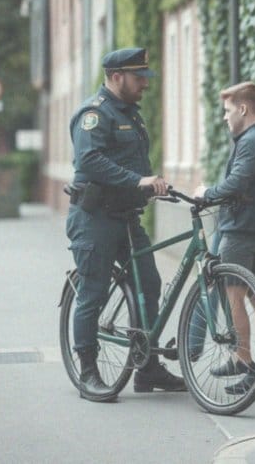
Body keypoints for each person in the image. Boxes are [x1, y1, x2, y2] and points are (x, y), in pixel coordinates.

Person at [66, 47, 185, 402]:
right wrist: (138, 181)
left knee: (149, 283)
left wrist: (154, 185)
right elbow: (89, 161)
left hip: (127, 218)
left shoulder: (132, 115)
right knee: (93, 293)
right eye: (139, 78)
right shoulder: (94, 114)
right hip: (95, 219)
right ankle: (87, 371)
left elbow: (135, 163)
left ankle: (146, 367)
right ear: (117, 77)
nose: (144, 85)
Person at [194, 81, 255, 395]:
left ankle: (246, 364)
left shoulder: (250, 141)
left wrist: (206, 193)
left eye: (228, 110)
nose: (225, 118)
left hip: (242, 233)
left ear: (244, 109)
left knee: (235, 299)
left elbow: (236, 183)